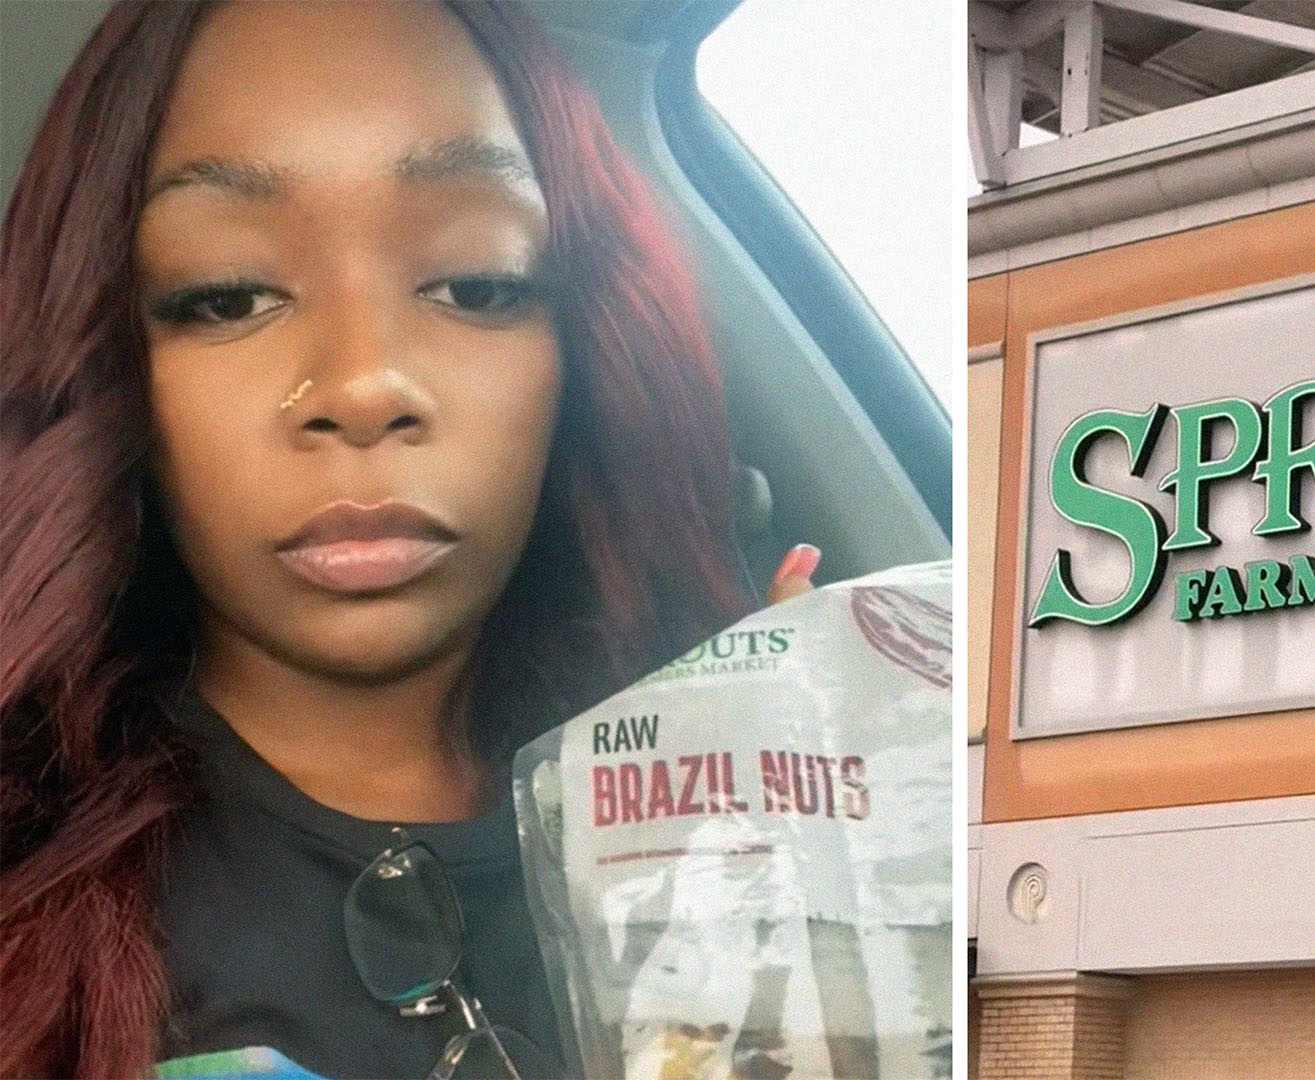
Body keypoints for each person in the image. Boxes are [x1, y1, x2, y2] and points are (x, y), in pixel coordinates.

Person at [0, 2, 819, 1076]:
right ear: (107, 364)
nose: (363, 384)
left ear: (585, 351)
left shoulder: (740, 828)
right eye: (227, 294)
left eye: (476, 284)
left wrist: (816, 845)